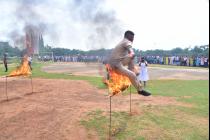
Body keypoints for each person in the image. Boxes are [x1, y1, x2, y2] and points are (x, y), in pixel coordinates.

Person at [108, 30, 151, 96]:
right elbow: (130, 49)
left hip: (116, 62)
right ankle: (140, 90)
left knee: (131, 58)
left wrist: (131, 56)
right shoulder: (127, 42)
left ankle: (132, 70)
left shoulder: (122, 42)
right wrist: (132, 53)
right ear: (128, 36)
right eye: (132, 38)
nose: (132, 40)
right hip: (116, 65)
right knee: (132, 75)